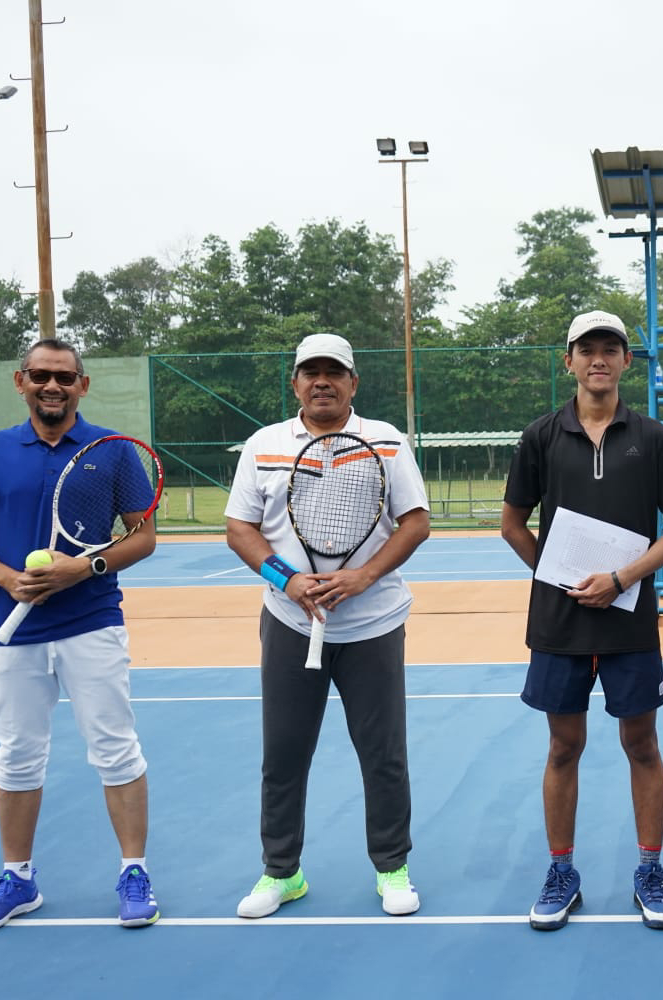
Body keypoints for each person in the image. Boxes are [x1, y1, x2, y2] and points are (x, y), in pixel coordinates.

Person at [0, 338, 160, 933]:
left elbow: (141, 536)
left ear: (81, 386)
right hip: (10, 635)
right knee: (16, 756)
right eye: (40, 375)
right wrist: (7, 578)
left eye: (64, 377)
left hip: (92, 624)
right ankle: (18, 878)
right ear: (21, 381)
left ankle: (133, 872)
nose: (52, 386)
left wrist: (82, 568)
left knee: (116, 749)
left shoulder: (111, 451)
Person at [224, 332, 431, 919]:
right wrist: (286, 579)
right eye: (310, 372)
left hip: (374, 626)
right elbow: (241, 528)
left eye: (333, 373)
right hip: (289, 621)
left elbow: (415, 522)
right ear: (295, 383)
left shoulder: (387, 441)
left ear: (352, 383)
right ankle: (281, 873)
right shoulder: (264, 446)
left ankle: (392, 868)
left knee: (383, 754)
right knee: (284, 754)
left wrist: (363, 577)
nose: (322, 382)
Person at [501, 310, 663, 931]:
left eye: (611, 348)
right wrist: (558, 577)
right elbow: (512, 523)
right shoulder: (539, 436)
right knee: (564, 746)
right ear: (569, 361)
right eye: (587, 349)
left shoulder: (654, 438)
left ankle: (649, 869)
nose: (599, 359)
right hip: (560, 625)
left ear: (626, 362)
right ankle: (562, 871)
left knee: (642, 744)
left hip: (629, 622)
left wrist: (621, 580)